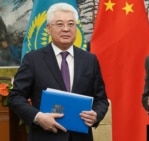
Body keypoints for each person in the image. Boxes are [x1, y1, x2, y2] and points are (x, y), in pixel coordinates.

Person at [8, 2, 109, 141]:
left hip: (80, 137)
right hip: (44, 136)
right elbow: (15, 97)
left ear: (76, 28)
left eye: (71, 24)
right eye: (60, 24)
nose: (66, 29)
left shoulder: (89, 60)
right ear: (48, 28)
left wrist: (96, 114)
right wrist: (38, 117)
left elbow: (101, 100)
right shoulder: (33, 60)